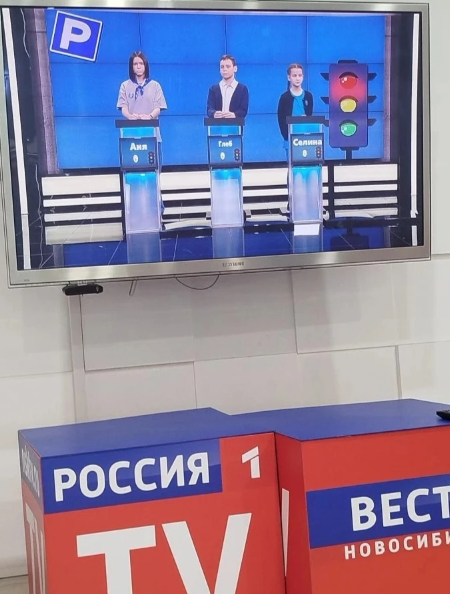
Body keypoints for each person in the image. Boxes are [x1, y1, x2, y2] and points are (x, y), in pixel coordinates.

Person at [117, 51, 167, 121]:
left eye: (141, 63)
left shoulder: (155, 85)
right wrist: (129, 116)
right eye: (135, 64)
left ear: (145, 65)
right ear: (131, 67)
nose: (138, 67)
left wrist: (149, 116)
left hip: (151, 125)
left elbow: (158, 107)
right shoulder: (124, 85)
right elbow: (123, 106)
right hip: (131, 125)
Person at [277, 63, 313, 158]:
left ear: (303, 77)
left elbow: (310, 116)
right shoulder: (284, 97)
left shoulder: (308, 96)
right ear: (289, 78)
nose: (297, 78)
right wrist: (286, 136)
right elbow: (281, 119)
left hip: (306, 139)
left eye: (300, 75)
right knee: (292, 164)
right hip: (290, 138)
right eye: (294, 75)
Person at [207, 55, 249, 119]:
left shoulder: (242, 89)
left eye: (228, 66)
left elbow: (243, 110)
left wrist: (234, 115)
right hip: (216, 124)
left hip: (235, 124)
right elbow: (209, 109)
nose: (224, 69)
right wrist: (214, 114)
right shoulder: (213, 89)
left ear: (235, 69)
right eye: (222, 67)